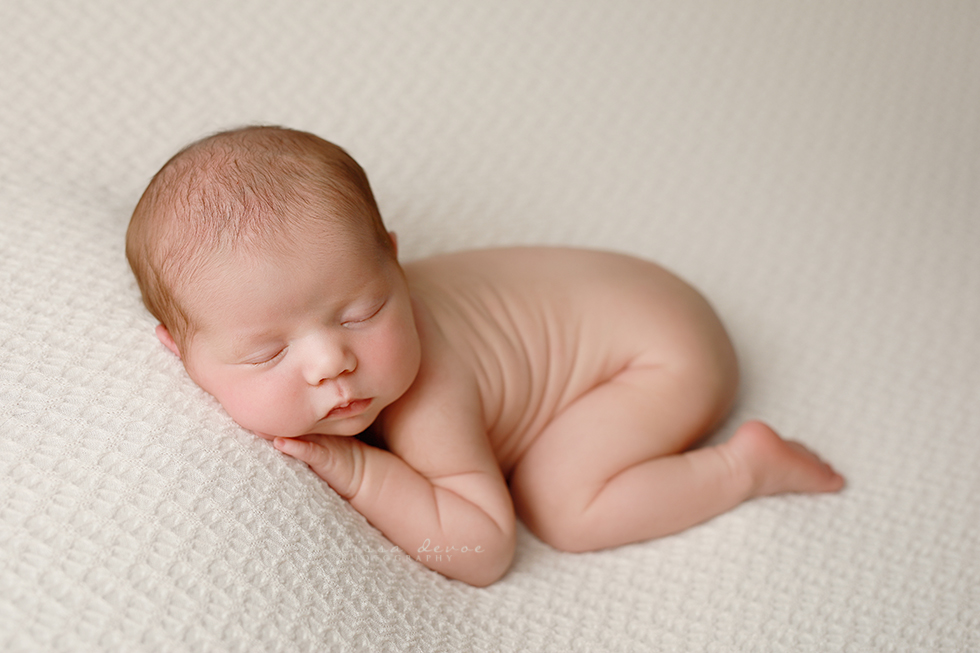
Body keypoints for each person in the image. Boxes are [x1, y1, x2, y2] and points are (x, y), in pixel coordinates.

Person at [126, 126, 845, 587]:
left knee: (562, 505)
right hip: (632, 296)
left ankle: (744, 466)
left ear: (394, 263)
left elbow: (483, 549)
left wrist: (360, 470)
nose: (331, 363)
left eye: (362, 312)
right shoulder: (334, 323)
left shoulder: (427, 393)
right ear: (177, 350)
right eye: (267, 352)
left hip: (662, 353)